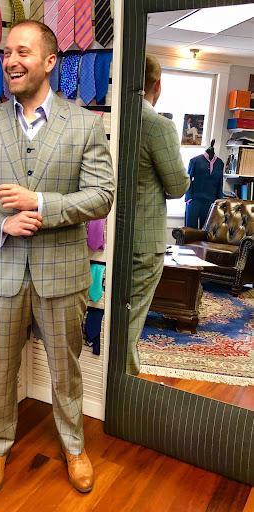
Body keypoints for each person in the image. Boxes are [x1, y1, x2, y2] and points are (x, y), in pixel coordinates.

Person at [0, 20, 114, 498]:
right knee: (0, 368)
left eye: (22, 51)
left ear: (49, 61)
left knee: (65, 369)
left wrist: (40, 203)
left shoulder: (85, 124)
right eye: (6, 53)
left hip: (62, 273)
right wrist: (0, 223)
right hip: (0, 272)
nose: (10, 61)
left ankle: (74, 446)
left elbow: (102, 196)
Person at [126, 55, 190, 375]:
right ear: (158, 85)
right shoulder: (158, 125)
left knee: (105, 311)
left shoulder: (107, 118)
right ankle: (124, 385)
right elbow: (178, 186)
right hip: (143, 238)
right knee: (131, 317)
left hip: (101, 234)